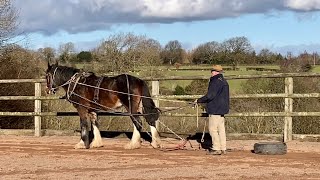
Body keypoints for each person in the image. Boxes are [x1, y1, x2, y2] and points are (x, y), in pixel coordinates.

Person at [194, 65, 230, 155]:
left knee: (213, 129)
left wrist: (199, 100)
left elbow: (210, 96)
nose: (211, 72)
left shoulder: (215, 82)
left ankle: (216, 148)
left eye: (212, 71)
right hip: (222, 109)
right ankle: (223, 147)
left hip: (215, 109)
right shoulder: (224, 81)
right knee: (221, 129)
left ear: (215, 72)